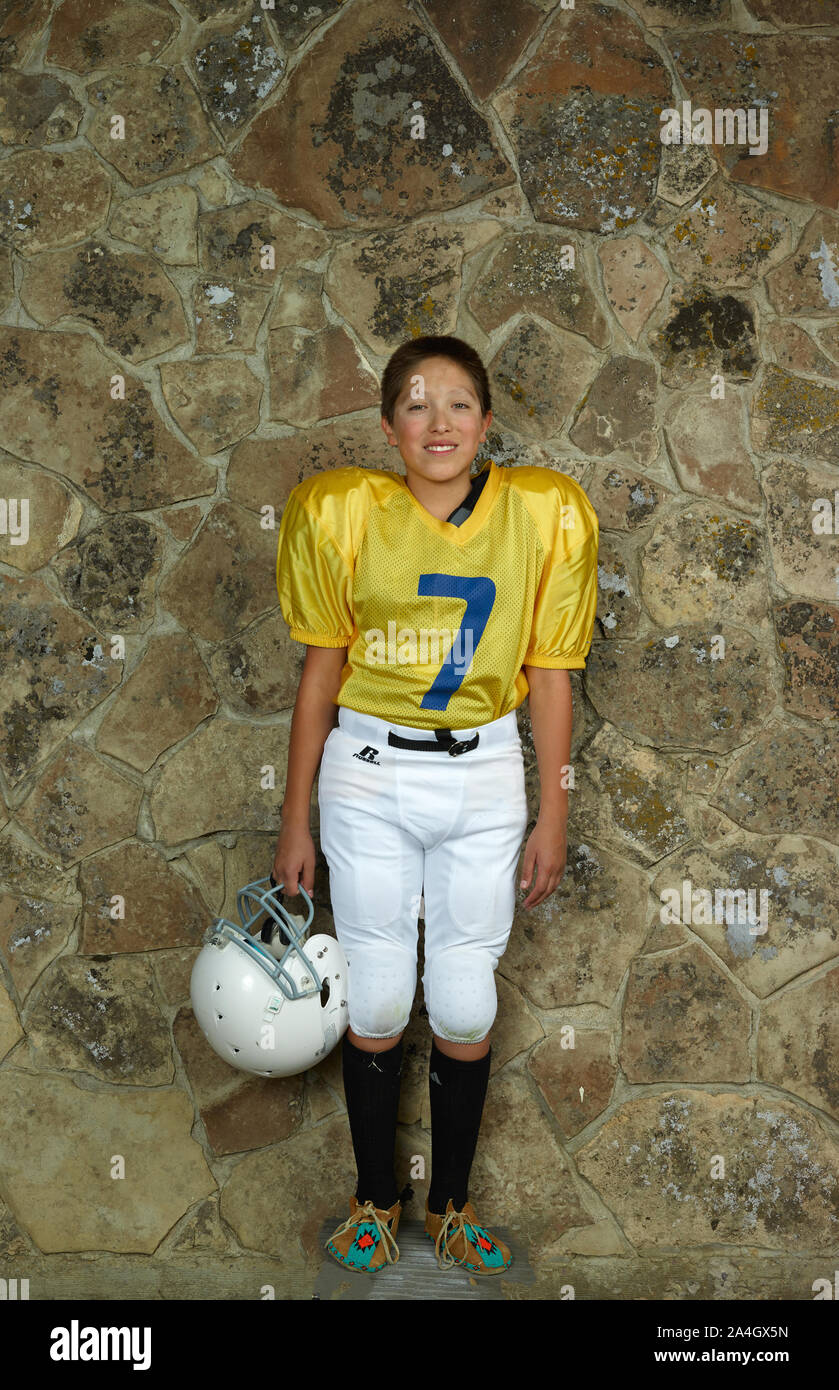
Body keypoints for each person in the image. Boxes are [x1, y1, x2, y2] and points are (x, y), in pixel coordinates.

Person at [273, 334, 598, 1276]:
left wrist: (554, 813)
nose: (438, 421)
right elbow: (320, 674)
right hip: (368, 772)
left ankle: (451, 1204)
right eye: (416, 405)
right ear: (387, 427)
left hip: (484, 774)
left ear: (486, 422)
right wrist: (293, 817)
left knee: (461, 1002)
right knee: (374, 994)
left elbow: (548, 676)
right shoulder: (343, 514)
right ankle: (376, 1200)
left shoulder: (540, 516)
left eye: (457, 404)